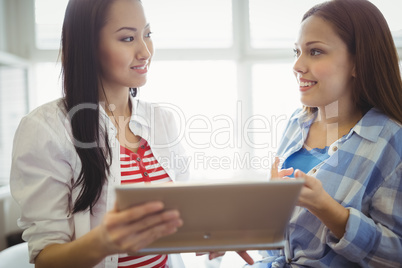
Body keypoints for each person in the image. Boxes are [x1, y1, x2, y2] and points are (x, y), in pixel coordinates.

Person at [10, 0, 189, 267]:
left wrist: (226, 235)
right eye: (128, 38)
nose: (145, 51)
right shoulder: (46, 128)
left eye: (147, 34)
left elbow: (182, 214)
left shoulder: (162, 119)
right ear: (88, 48)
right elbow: (45, 259)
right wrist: (105, 241)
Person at [246, 0, 402, 267]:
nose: (297, 65)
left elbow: (396, 254)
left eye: (315, 52)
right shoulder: (297, 123)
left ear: (358, 63)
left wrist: (328, 210)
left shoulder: (390, 140)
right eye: (296, 51)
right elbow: (278, 241)